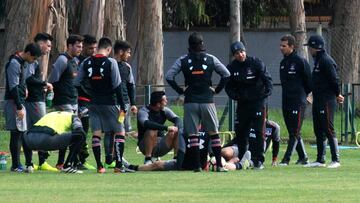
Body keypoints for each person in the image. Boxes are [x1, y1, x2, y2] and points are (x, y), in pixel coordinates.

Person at [166, 32, 230, 172]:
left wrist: (181, 91)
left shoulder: (183, 60)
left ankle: (197, 166)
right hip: (207, 100)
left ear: (189, 45)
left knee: (193, 135)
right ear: (202, 44)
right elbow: (226, 74)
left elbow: (169, 76)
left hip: (190, 102)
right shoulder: (211, 59)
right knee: (214, 133)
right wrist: (217, 90)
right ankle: (219, 165)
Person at [76, 37, 127, 173]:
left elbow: (77, 83)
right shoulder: (111, 62)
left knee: (96, 134)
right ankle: (118, 165)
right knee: (120, 132)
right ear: (109, 49)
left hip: (93, 103)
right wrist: (123, 106)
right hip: (110, 102)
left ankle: (99, 166)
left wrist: (88, 95)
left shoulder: (86, 62)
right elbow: (117, 85)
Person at [225, 41, 272, 170]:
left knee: (258, 132)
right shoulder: (231, 68)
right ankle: (241, 157)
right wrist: (236, 96)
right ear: (234, 55)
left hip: (258, 103)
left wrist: (266, 93)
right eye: (237, 53)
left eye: (241, 51)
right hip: (242, 105)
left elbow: (267, 79)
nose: (240, 55)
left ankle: (258, 160)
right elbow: (228, 87)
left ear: (245, 51)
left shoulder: (256, 63)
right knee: (241, 132)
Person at [303, 35, 344, 168]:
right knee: (318, 129)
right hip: (318, 99)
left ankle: (336, 159)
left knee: (328, 128)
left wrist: (337, 94)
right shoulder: (318, 61)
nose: (309, 50)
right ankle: (320, 160)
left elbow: (334, 79)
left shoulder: (326, 60)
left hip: (326, 100)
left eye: (310, 47)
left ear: (316, 47)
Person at [128, 130, 251, 172]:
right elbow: (181, 151)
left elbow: (212, 152)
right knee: (157, 164)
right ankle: (132, 167)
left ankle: (241, 164)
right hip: (183, 164)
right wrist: (178, 165)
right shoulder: (184, 131)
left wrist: (210, 162)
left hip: (203, 164)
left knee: (222, 164)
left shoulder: (209, 132)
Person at [3, 43, 42, 172]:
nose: (34, 61)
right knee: (16, 133)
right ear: (28, 54)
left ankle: (19, 164)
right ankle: (15, 165)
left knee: (21, 132)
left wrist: (24, 89)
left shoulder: (23, 62)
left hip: (20, 100)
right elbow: (13, 86)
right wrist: (19, 106)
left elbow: (21, 82)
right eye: (34, 58)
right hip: (13, 102)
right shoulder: (14, 63)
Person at [101, 40, 138, 168]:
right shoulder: (108, 64)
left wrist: (133, 103)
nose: (129, 55)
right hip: (111, 103)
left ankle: (118, 157)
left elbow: (130, 86)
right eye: (127, 52)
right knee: (109, 131)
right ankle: (109, 159)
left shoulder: (127, 67)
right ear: (120, 52)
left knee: (120, 131)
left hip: (124, 106)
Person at [48, 34, 83, 169]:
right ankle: (63, 162)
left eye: (81, 46)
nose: (80, 49)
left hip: (73, 101)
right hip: (63, 101)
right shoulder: (62, 60)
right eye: (77, 46)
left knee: (68, 132)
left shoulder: (76, 61)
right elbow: (52, 80)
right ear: (69, 46)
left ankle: (64, 162)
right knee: (70, 131)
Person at [24, 33, 57, 172]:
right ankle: (39, 162)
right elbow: (29, 79)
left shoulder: (35, 60)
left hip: (36, 99)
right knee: (41, 130)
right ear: (41, 44)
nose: (49, 49)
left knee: (31, 131)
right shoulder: (31, 61)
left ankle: (30, 163)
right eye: (48, 46)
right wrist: (45, 83)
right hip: (34, 101)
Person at [278, 34, 312, 166]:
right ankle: (303, 157)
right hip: (286, 101)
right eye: (280, 46)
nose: (281, 48)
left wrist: (307, 97)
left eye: (284, 46)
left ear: (292, 46)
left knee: (295, 131)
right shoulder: (282, 63)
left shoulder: (300, 62)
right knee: (293, 130)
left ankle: (286, 159)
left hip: (298, 101)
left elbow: (309, 82)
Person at [137, 91, 182, 165]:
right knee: (152, 130)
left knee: (176, 131)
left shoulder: (164, 110)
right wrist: (166, 128)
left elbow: (178, 119)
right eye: (165, 100)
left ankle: (176, 159)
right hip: (144, 145)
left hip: (161, 144)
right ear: (158, 104)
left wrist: (176, 127)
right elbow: (146, 123)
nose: (166, 102)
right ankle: (148, 159)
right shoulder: (143, 111)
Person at [75, 34, 97, 170]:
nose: (93, 51)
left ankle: (82, 159)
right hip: (81, 100)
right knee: (81, 130)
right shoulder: (79, 62)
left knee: (86, 130)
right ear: (83, 48)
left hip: (91, 101)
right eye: (90, 49)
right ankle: (77, 160)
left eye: (95, 48)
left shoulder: (94, 61)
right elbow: (78, 83)